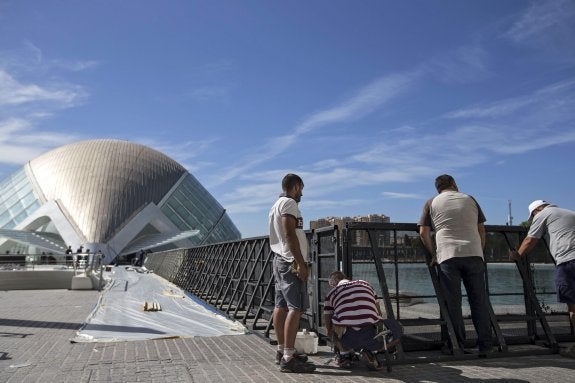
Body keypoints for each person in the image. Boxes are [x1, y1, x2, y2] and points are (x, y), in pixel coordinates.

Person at [418, 174, 494, 356]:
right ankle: (486, 345)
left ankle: (456, 344)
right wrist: (479, 250)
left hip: (448, 255)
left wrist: (434, 253)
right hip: (474, 254)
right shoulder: (470, 199)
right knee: (479, 302)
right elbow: (481, 228)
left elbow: (423, 232)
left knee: (453, 303)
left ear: (438, 188)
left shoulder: (432, 202)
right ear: (454, 184)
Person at [269, 173, 315, 373]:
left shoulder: (275, 205)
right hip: (289, 261)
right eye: (301, 189)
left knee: (281, 305)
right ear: (296, 187)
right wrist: (300, 263)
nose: (302, 194)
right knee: (295, 308)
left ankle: (282, 351)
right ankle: (289, 357)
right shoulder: (289, 204)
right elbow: (289, 234)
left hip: (279, 259)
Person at [509, 200, 575, 334]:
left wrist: (518, 255)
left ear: (537, 210)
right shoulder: (569, 213)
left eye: (533, 216)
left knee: (573, 306)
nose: (534, 218)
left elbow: (530, 240)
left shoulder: (543, 214)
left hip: (568, 261)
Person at [323, 271, 402, 370]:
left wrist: (329, 331)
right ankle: (372, 351)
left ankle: (344, 356)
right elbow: (378, 312)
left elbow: (327, 320)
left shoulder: (330, 294)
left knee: (331, 326)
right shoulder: (365, 284)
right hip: (372, 335)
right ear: (347, 278)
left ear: (332, 284)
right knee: (397, 328)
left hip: (348, 339)